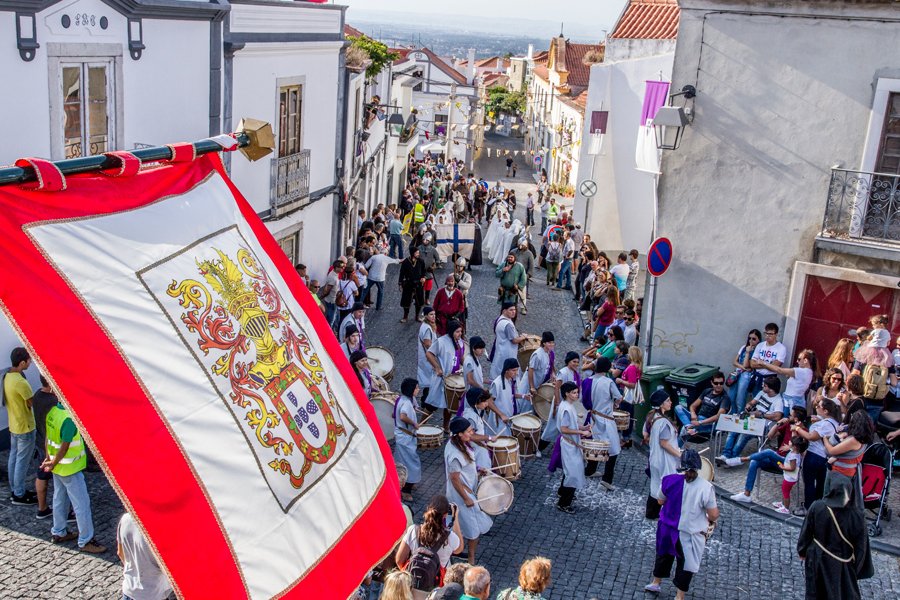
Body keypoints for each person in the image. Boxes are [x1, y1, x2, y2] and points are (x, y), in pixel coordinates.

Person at [644, 449, 719, 599]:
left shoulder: (668, 479)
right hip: (689, 532)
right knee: (686, 564)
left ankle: (656, 582)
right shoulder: (706, 487)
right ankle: (679, 596)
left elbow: (660, 501)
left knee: (663, 555)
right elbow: (713, 515)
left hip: (667, 528)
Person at [41, 397, 105, 553]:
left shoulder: (53, 412)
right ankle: (86, 540)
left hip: (58, 468)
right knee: (81, 504)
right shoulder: (69, 419)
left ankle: (58, 531)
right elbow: (64, 447)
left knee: (59, 499)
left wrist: (49, 459)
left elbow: (48, 437)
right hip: (70, 468)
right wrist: (53, 462)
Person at [796, 473, 874, 600]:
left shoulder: (817, 507)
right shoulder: (857, 516)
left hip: (817, 559)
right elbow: (861, 547)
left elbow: (806, 532)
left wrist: (802, 551)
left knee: (816, 594)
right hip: (843, 564)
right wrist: (855, 569)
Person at [444, 417, 492, 565]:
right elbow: (454, 478)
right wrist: (466, 498)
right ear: (459, 434)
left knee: (459, 525)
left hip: (465, 492)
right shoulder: (455, 454)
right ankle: (470, 559)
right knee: (472, 529)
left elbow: (464, 468)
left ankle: (457, 552)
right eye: (469, 431)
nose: (472, 433)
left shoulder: (459, 444)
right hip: (461, 496)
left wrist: (477, 469)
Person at [395, 495, 464, 589]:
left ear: (428, 509)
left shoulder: (413, 530)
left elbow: (399, 561)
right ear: (445, 515)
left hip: (412, 583)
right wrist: (455, 518)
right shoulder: (451, 538)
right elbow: (459, 549)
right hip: (436, 587)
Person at [728, 435, 809, 509]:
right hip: (777, 459)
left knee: (769, 452)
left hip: (785, 463)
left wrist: (791, 445)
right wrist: (778, 425)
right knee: (754, 462)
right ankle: (746, 494)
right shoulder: (788, 427)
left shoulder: (800, 437)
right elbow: (770, 435)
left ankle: (742, 459)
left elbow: (801, 453)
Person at [717, 375, 783, 462]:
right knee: (733, 429)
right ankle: (725, 455)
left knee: (743, 434)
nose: (762, 386)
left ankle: (732, 458)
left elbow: (778, 416)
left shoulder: (778, 401)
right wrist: (749, 406)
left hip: (762, 425)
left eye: (765, 385)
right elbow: (752, 402)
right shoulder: (762, 393)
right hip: (751, 418)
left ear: (771, 389)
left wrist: (761, 414)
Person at [793, 397, 841, 513]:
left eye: (818, 406)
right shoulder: (835, 423)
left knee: (809, 483)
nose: (816, 407)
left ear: (825, 411)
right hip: (825, 457)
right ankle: (818, 508)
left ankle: (808, 508)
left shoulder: (825, 424)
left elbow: (811, 437)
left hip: (814, 455)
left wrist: (797, 428)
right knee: (821, 484)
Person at [550, 382, 591, 513]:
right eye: (574, 392)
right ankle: (563, 503)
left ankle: (562, 492)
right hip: (569, 445)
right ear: (567, 394)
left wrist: (583, 427)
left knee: (570, 470)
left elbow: (571, 424)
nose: (577, 395)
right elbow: (564, 429)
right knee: (573, 473)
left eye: (577, 392)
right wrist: (581, 432)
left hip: (569, 443)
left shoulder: (567, 405)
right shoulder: (567, 409)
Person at [4, 347, 37, 506]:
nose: (30, 363)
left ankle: (15, 489)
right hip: (25, 426)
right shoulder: (21, 382)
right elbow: (31, 403)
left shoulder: (7, 376)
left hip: (14, 424)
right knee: (22, 462)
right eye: (29, 360)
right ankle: (19, 494)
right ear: (22, 362)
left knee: (14, 458)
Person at [584, 357, 623, 489]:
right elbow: (619, 397)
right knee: (613, 449)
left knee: (595, 444)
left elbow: (583, 400)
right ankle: (607, 480)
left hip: (592, 417)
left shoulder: (587, 381)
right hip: (606, 419)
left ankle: (590, 470)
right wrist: (615, 404)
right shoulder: (608, 382)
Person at [823, 411, 874, 508]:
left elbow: (831, 451)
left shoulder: (853, 440)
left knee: (832, 502)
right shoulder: (864, 438)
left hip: (840, 473)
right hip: (847, 473)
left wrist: (825, 439)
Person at [118, 512, 173, 600]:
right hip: (154, 594)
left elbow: (120, 553)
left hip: (129, 590)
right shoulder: (160, 531)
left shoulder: (126, 518)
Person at [426, 320, 466, 431]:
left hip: (453, 379)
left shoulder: (460, 342)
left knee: (449, 405)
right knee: (432, 405)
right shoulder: (441, 341)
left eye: (461, 331)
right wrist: (437, 367)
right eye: (457, 332)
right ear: (451, 331)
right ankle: (420, 425)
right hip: (441, 378)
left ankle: (445, 426)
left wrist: (467, 366)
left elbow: (461, 357)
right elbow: (429, 353)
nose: (460, 334)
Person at [647, 392, 682, 520]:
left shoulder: (652, 417)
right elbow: (664, 443)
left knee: (655, 486)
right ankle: (666, 515)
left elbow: (646, 435)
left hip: (655, 459)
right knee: (666, 487)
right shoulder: (663, 422)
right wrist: (680, 455)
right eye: (668, 400)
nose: (670, 402)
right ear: (661, 404)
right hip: (664, 461)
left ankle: (651, 513)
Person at [539, 351, 582, 453]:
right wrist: (557, 404)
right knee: (552, 427)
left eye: (577, 362)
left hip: (568, 403)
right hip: (560, 404)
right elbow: (556, 388)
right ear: (568, 361)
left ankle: (560, 448)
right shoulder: (563, 372)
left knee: (565, 426)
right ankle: (539, 448)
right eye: (574, 361)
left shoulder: (575, 373)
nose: (576, 364)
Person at [675, 373, 730, 443]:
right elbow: (693, 406)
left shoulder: (725, 398)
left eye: (721, 383)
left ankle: (676, 448)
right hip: (697, 418)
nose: (718, 385)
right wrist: (693, 414)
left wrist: (700, 422)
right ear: (712, 383)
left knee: (684, 430)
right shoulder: (707, 391)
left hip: (709, 424)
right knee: (678, 407)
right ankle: (689, 426)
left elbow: (718, 416)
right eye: (716, 383)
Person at [32, 374, 59, 518]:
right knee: (61, 482)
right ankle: (66, 511)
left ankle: (42, 508)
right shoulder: (54, 401)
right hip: (52, 445)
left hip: (40, 440)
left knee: (42, 475)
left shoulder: (37, 395)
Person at [395, 378, 423, 502]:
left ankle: (408, 481)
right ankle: (405, 490)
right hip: (405, 438)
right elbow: (402, 416)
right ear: (411, 389)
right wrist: (414, 423)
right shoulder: (406, 402)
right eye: (416, 388)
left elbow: (397, 414)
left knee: (405, 461)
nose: (418, 390)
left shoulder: (405, 399)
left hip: (404, 436)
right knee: (411, 463)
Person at [460, 388, 499, 470]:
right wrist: (489, 438)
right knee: (483, 472)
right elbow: (471, 436)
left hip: (478, 446)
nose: (487, 404)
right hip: (475, 449)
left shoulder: (477, 410)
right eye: (484, 401)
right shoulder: (470, 417)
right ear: (476, 401)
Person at [489, 359, 528, 436]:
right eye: (513, 370)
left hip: (509, 415)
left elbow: (510, 394)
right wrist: (501, 415)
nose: (516, 373)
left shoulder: (511, 380)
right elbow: (489, 402)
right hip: (500, 419)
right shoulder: (497, 383)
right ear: (506, 370)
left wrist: (523, 396)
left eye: (517, 370)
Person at [488, 302, 526, 380]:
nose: (514, 312)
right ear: (504, 311)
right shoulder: (508, 325)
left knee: (499, 370)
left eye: (514, 310)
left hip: (500, 349)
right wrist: (523, 337)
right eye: (511, 310)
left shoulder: (499, 319)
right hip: (507, 352)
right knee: (508, 373)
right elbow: (514, 340)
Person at [365, 246, 400, 310]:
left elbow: (366, 266)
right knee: (380, 292)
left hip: (371, 276)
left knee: (365, 291)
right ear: (386, 253)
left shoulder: (374, 257)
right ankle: (378, 307)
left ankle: (359, 305)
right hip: (380, 278)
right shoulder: (386, 258)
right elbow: (396, 261)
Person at [527, 332, 556, 410]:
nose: (552, 344)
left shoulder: (550, 352)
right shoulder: (537, 355)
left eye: (552, 342)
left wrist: (553, 373)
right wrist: (532, 386)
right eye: (549, 342)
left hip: (541, 382)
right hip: (533, 382)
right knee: (528, 405)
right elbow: (530, 370)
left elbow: (551, 364)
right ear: (544, 343)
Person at [399, 247, 426, 323]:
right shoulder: (406, 262)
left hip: (419, 284)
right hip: (408, 284)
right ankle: (405, 317)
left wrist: (424, 277)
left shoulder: (421, 261)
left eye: (418, 253)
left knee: (419, 302)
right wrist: (400, 283)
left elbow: (424, 271)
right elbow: (402, 273)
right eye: (416, 253)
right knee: (406, 302)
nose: (418, 254)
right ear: (412, 253)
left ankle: (417, 316)